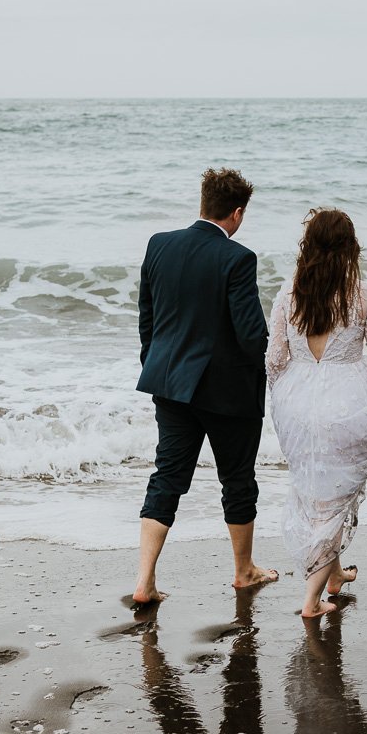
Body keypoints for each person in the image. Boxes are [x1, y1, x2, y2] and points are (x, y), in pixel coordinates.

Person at [133, 168, 278, 604]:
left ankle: (144, 582)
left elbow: (147, 317)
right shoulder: (237, 258)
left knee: (167, 477)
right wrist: (270, 373)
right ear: (236, 213)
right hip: (227, 391)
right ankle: (243, 571)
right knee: (237, 481)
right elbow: (251, 334)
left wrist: (157, 364)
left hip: (170, 383)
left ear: (203, 202)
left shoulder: (159, 244)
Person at [265, 209, 367, 618]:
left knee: (316, 491)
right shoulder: (365, 294)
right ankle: (310, 601)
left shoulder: (288, 293)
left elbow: (275, 359)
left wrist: (293, 393)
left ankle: (334, 577)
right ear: (351, 247)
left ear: (309, 245)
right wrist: (356, 386)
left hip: (297, 403)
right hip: (348, 400)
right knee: (334, 501)